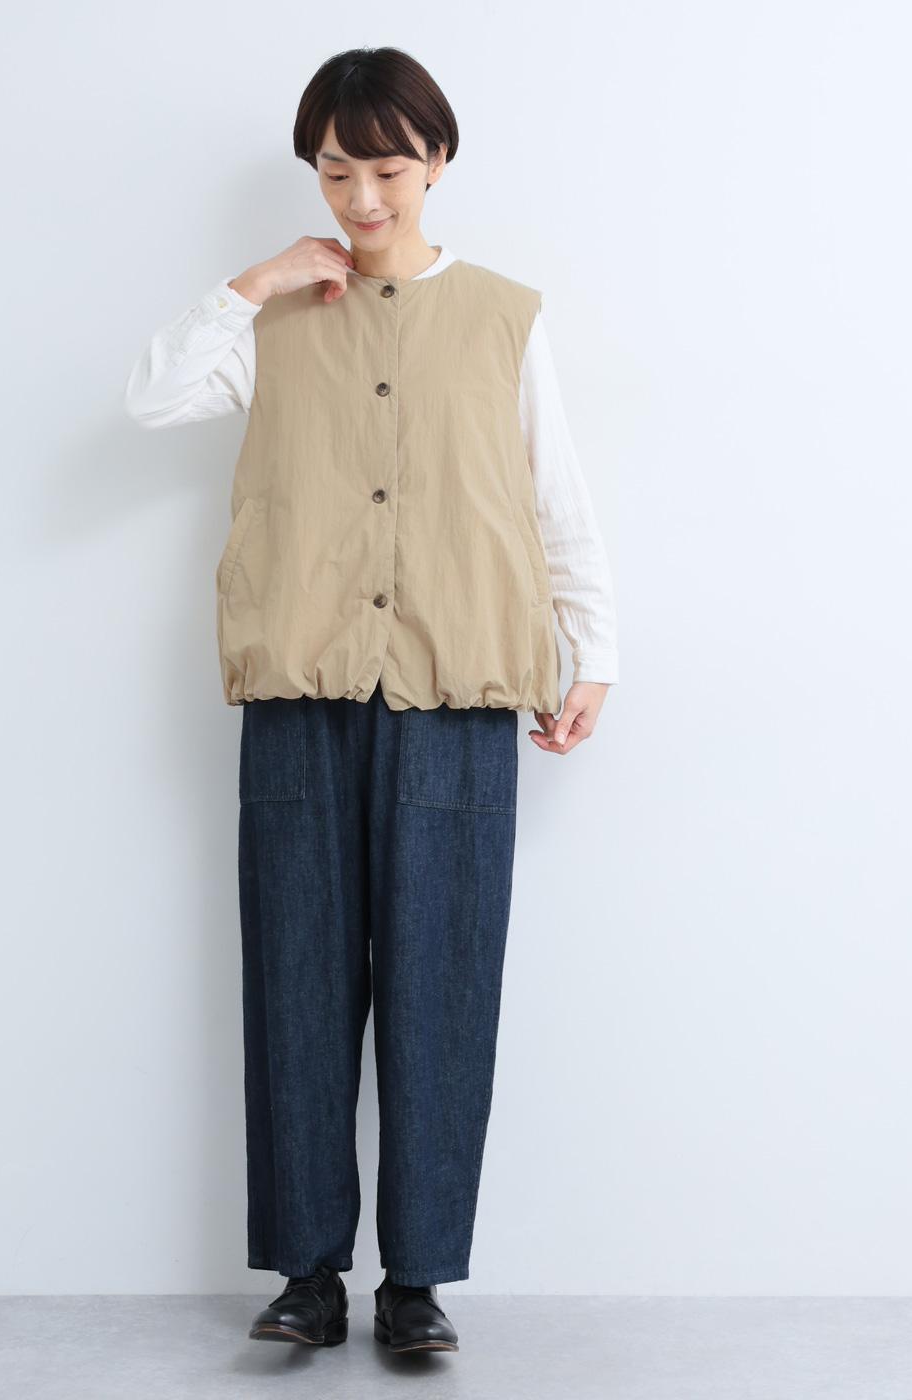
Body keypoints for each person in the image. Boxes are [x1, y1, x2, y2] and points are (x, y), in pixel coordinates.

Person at [124, 45, 618, 1357]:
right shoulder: (276, 319)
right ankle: (307, 1276)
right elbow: (150, 397)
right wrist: (254, 283)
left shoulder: (504, 317)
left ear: (437, 163)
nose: (363, 199)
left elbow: (554, 494)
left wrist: (594, 652)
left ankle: (417, 1284)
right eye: (338, 172)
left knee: (442, 987)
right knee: (296, 980)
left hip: (458, 691)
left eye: (389, 170)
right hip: (302, 688)